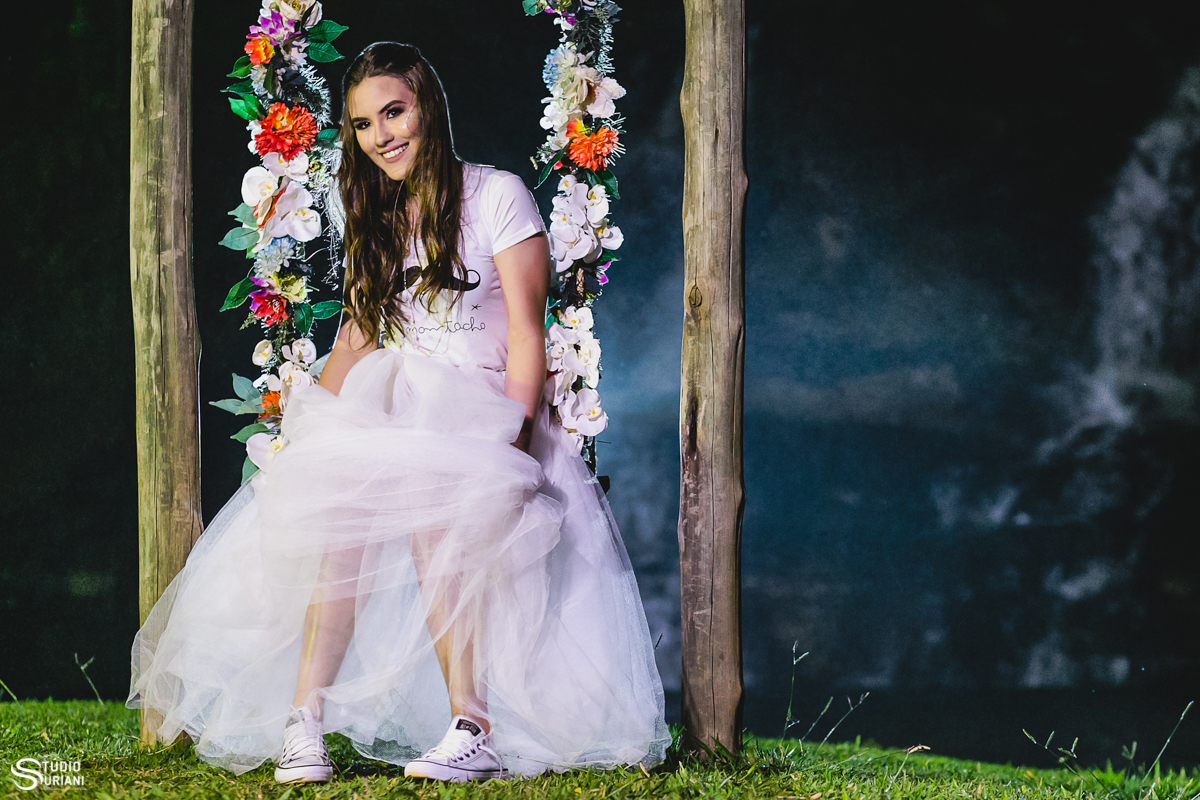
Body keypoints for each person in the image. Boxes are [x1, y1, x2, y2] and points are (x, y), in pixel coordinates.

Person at [125, 41, 670, 784]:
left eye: (394, 112)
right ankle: (304, 722)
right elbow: (357, 335)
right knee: (331, 511)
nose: (381, 135)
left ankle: (471, 726)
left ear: (427, 110)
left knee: (433, 504)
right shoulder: (375, 212)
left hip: (481, 411)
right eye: (362, 124)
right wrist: (312, 429)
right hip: (396, 404)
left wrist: (507, 444)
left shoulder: (496, 196)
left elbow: (523, 332)